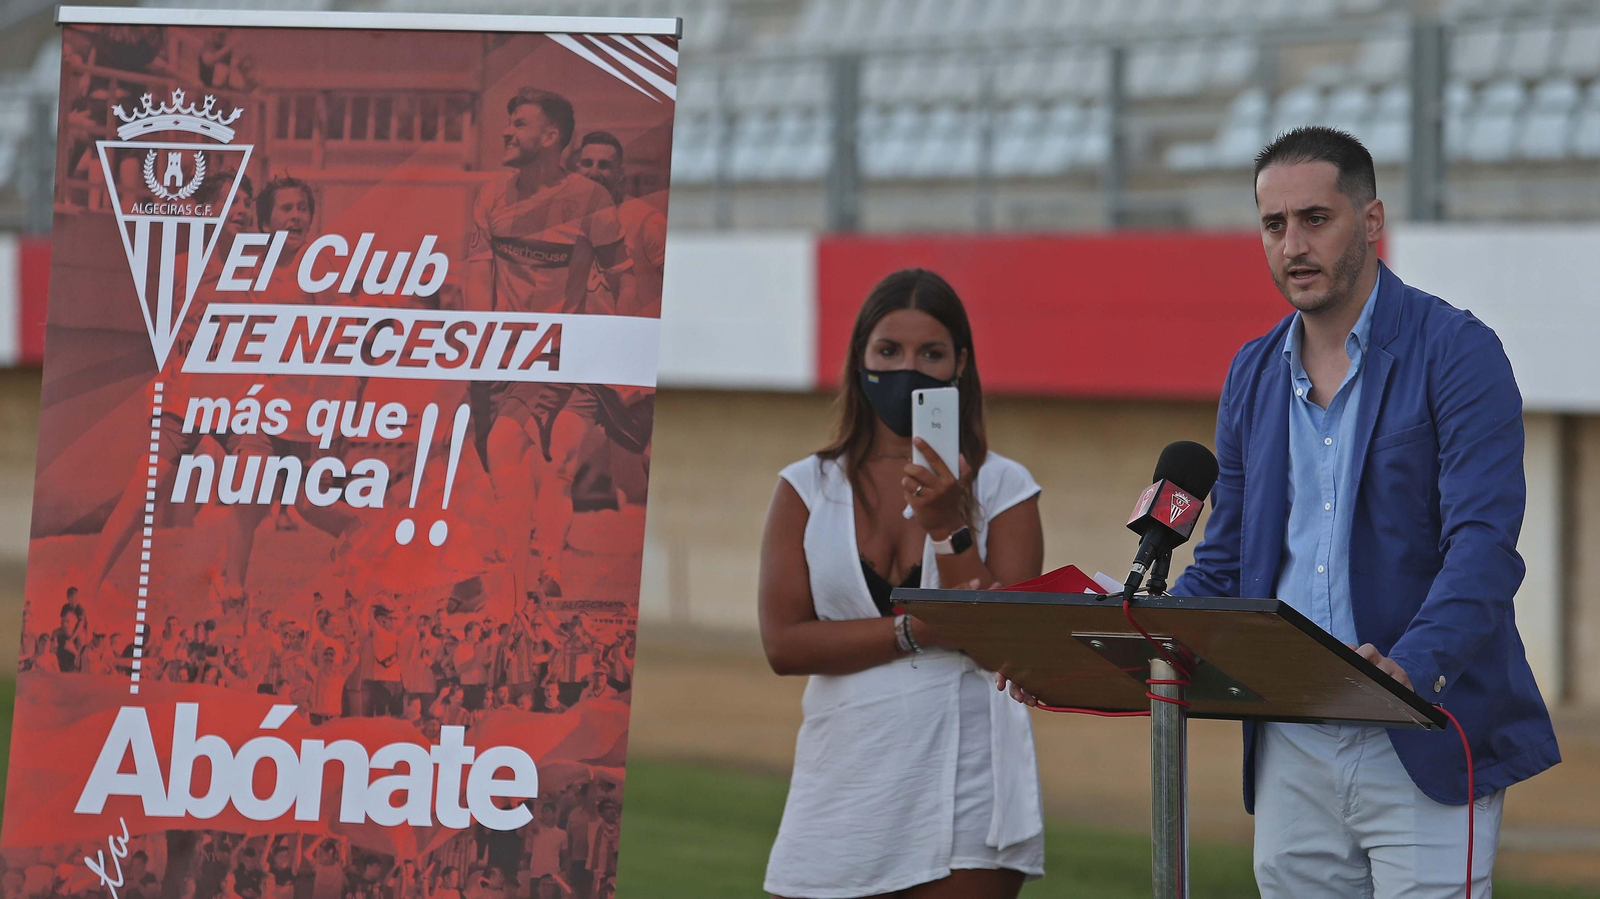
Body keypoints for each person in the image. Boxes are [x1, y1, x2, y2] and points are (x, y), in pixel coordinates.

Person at [1004, 127, 1561, 898]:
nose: (1292, 244)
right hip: (1288, 740)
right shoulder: (1251, 372)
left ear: (1371, 222)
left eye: (1315, 219)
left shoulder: (1458, 351)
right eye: (1274, 224)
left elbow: (1484, 547)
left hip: (1421, 727)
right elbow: (1227, 564)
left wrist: (1408, 668)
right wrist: (1085, 655)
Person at [759, 269, 1046, 899]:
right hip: (842, 773)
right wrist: (915, 631)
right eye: (888, 351)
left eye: (931, 353)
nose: (907, 369)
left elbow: (1012, 647)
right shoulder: (806, 487)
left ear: (960, 365)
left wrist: (950, 529)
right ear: (860, 358)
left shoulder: (1003, 486)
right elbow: (784, 644)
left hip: (967, 775)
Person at [464, 87, 634, 600]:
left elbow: (622, 280)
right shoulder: (492, 196)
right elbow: (478, 279)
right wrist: (480, 347)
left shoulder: (590, 200)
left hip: (565, 353)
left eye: (518, 124)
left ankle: (531, 574)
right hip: (505, 356)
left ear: (550, 136)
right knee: (502, 462)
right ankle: (526, 572)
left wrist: (617, 353)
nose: (506, 132)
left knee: (546, 460)